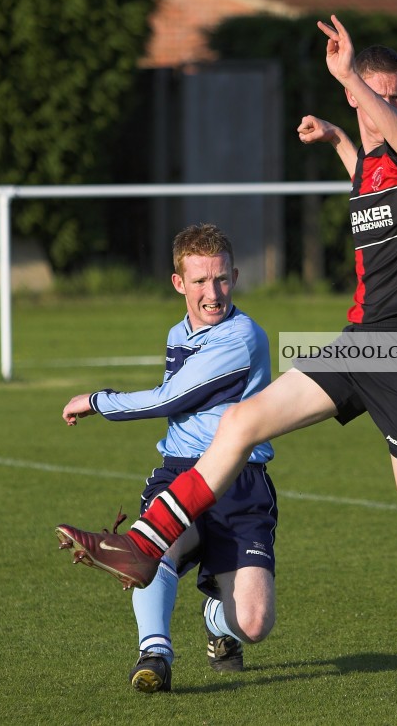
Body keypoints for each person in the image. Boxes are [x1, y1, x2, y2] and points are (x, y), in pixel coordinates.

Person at [56, 15, 397, 690]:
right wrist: (339, 136)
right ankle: (146, 542)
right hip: (360, 341)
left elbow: (393, 141)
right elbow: (369, 170)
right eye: (372, 95)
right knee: (241, 422)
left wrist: (349, 80)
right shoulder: (370, 164)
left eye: (392, 96)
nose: (381, 107)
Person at [56, 223, 278, 692]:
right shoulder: (179, 331)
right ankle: (154, 653)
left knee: (255, 623)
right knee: (149, 551)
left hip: (240, 482)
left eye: (220, 279)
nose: (212, 293)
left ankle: (217, 618)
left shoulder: (242, 338)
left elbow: (169, 401)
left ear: (234, 276)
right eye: (199, 281)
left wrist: (98, 401)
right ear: (179, 283)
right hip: (181, 471)